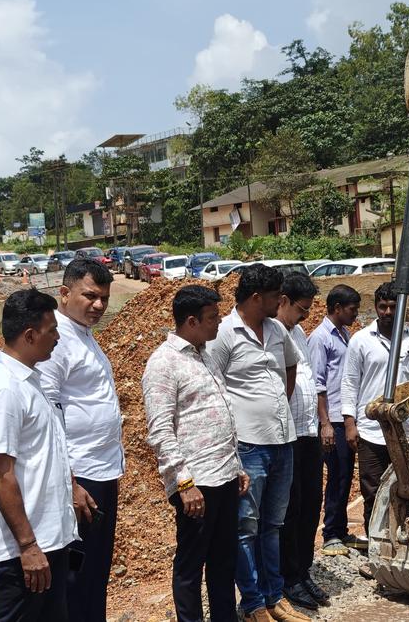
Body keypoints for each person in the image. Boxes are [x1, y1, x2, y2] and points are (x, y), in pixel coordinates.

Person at [206, 264, 307, 622]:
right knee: (245, 527)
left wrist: (278, 398)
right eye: (274, 296)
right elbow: (213, 387)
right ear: (255, 298)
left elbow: (292, 366)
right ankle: (252, 605)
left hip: (283, 440)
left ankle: (274, 597)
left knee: (273, 525)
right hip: (247, 446)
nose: (280, 301)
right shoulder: (224, 335)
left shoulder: (278, 329)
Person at [143, 285, 249, 622]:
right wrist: (184, 483)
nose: (218, 325)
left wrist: (238, 465)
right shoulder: (163, 363)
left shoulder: (204, 355)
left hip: (225, 476)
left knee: (223, 561)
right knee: (191, 565)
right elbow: (160, 430)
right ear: (191, 321)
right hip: (197, 483)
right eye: (212, 318)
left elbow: (221, 413)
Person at [0, 289, 78, 622]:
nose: (58, 338)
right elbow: (1, 473)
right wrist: (28, 545)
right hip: (26, 551)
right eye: (52, 331)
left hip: (49, 539)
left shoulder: (29, 382)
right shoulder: (3, 389)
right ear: (30, 335)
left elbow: (42, 454)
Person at [36, 259, 123, 622]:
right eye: (90, 296)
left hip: (103, 471)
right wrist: (69, 482)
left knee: (96, 571)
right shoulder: (56, 343)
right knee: (76, 575)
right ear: (64, 293)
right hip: (80, 476)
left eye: (103, 298)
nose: (98, 305)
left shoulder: (86, 338)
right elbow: (48, 415)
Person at [341, 282, 409, 539]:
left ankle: (404, 539)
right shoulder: (360, 341)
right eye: (383, 307)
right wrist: (350, 423)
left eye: (394, 307)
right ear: (376, 308)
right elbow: (349, 383)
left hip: (406, 429)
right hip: (371, 430)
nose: (388, 312)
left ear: (403, 308)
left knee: (405, 486)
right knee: (372, 490)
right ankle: (376, 542)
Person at [275, 273, 331, 610]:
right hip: (287, 436)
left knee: (311, 504)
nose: (306, 316)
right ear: (282, 300)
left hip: (307, 432)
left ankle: (303, 569)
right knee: (290, 510)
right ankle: (288, 576)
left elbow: (311, 379)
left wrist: (322, 422)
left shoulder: (297, 332)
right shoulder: (271, 333)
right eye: (302, 309)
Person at [309, 285, 363, 557]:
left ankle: (340, 531)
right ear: (338, 307)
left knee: (343, 476)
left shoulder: (344, 334)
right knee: (336, 476)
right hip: (332, 419)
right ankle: (330, 533)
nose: (355, 314)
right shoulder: (321, 339)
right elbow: (317, 383)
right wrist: (325, 423)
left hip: (345, 416)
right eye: (352, 309)